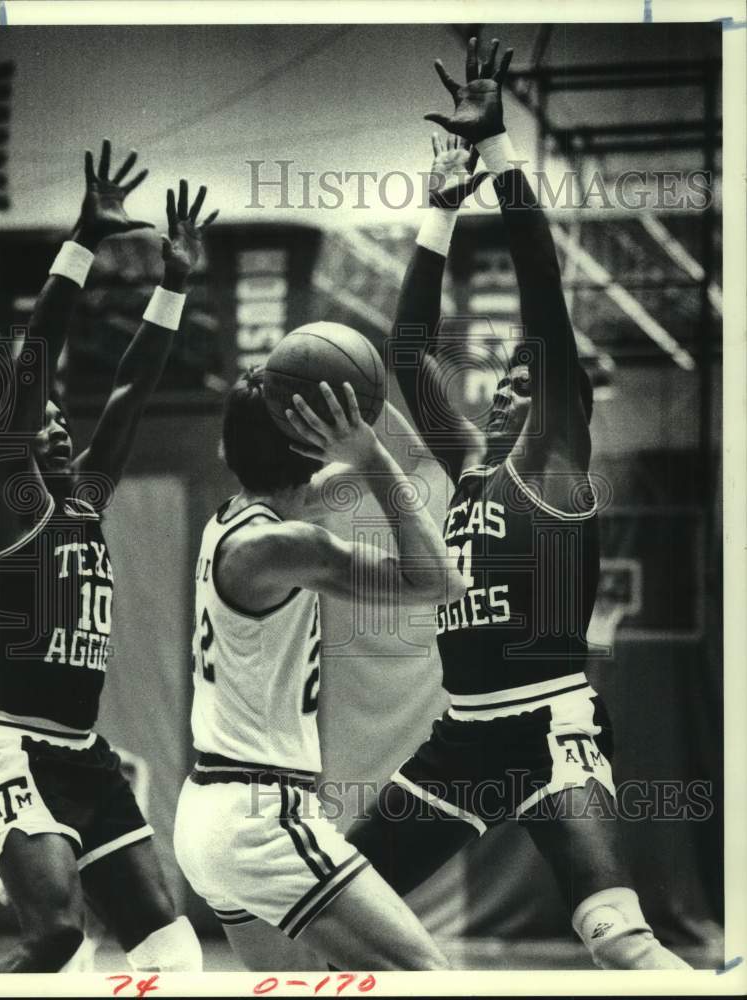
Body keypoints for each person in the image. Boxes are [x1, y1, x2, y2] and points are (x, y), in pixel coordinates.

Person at [345, 38, 691, 971]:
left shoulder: (554, 457)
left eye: (532, 376)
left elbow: (545, 295)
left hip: (548, 727)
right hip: (460, 735)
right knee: (332, 908)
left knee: (618, 940)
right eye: (505, 373)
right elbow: (407, 348)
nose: (512, 382)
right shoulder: (464, 462)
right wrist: (438, 210)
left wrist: (499, 156)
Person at [0, 139, 217, 972]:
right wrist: (83, 241)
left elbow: (129, 392)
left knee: (173, 952)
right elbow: (34, 359)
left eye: (60, 414)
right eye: (39, 414)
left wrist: (175, 284)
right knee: (55, 937)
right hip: (5, 740)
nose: (52, 419)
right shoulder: (10, 500)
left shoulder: (84, 497)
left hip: (82, 750)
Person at [173, 368, 466, 970]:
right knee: (430, 977)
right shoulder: (284, 546)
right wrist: (367, 452)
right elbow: (442, 581)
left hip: (210, 813)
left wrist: (365, 412)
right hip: (261, 816)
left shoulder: (233, 518)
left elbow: (397, 460)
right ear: (305, 452)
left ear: (227, 450)